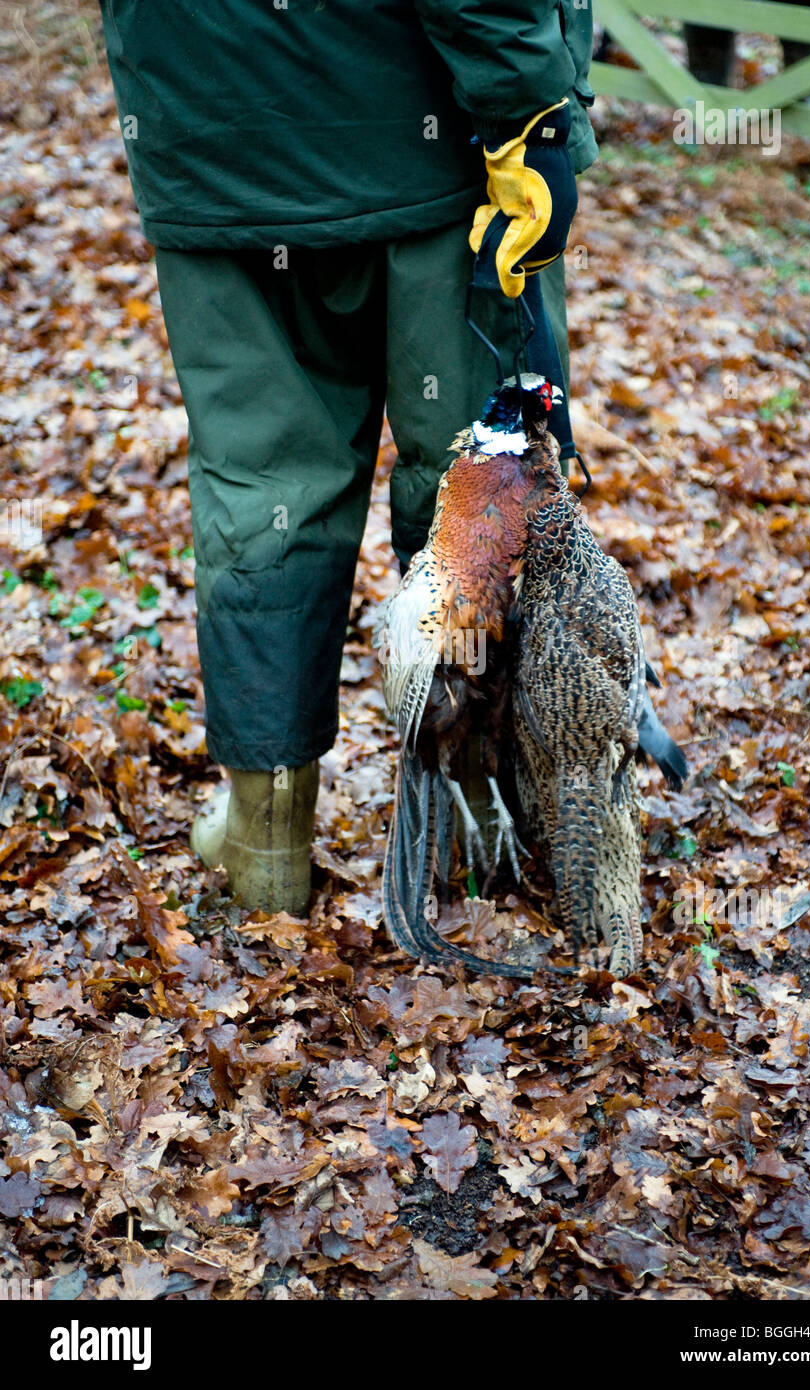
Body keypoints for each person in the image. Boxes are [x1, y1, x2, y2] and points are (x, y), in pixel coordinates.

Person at [98, 0, 596, 914]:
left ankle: (266, 836)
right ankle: (470, 820)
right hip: (426, 130)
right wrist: (529, 111)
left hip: (209, 129)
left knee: (262, 482)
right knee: (469, 475)